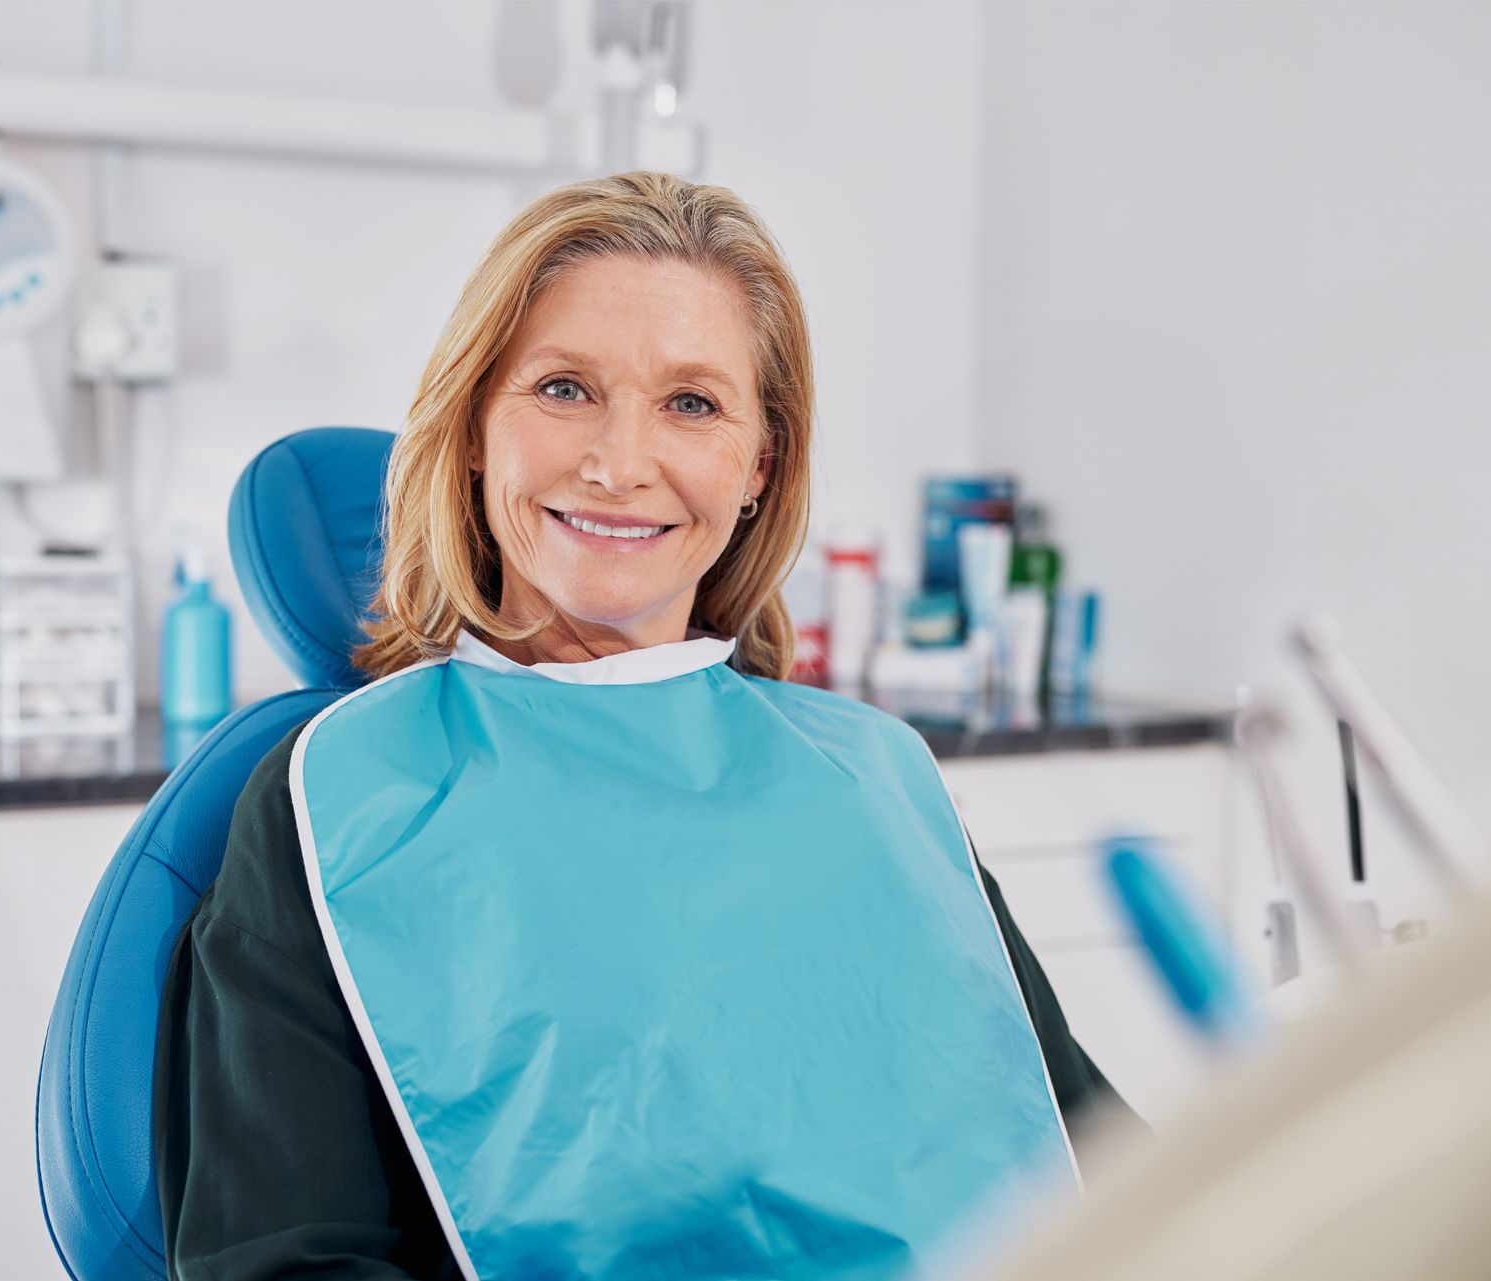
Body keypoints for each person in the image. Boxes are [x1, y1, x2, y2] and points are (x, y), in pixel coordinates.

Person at [154, 171, 1139, 1281]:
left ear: (758, 466)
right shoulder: (334, 801)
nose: (620, 465)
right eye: (565, 388)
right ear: (477, 426)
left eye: (692, 404)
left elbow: (1106, 1163)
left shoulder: (876, 775)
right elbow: (284, 1263)